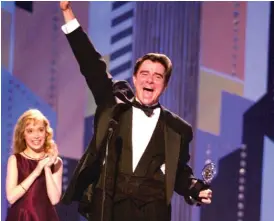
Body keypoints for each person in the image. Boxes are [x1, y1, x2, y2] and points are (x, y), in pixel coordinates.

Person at [60, 1, 212, 221]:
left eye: (157, 76)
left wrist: (195, 188)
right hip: (109, 208)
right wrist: (68, 13)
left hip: (153, 212)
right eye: (145, 73)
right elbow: (90, 64)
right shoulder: (113, 108)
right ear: (134, 78)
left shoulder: (178, 129)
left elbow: (177, 172)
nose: (150, 79)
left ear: (165, 84)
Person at [5, 109, 63, 221]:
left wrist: (46, 168)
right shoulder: (15, 160)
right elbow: (11, 197)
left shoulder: (56, 162)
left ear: (46, 133)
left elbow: (55, 199)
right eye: (30, 131)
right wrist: (37, 171)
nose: (36, 136)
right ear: (23, 135)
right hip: (20, 217)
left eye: (40, 130)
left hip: (45, 217)